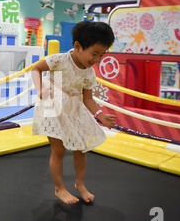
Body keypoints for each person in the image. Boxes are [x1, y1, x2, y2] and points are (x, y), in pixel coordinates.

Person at [32, 21, 117, 205]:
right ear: (78, 46)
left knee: (81, 148)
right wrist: (40, 89)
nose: (97, 59)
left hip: (73, 108)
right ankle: (59, 188)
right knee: (59, 150)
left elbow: (88, 99)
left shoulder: (89, 73)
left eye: (102, 55)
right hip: (52, 106)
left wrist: (100, 115)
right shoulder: (60, 60)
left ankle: (80, 184)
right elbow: (36, 68)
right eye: (94, 54)